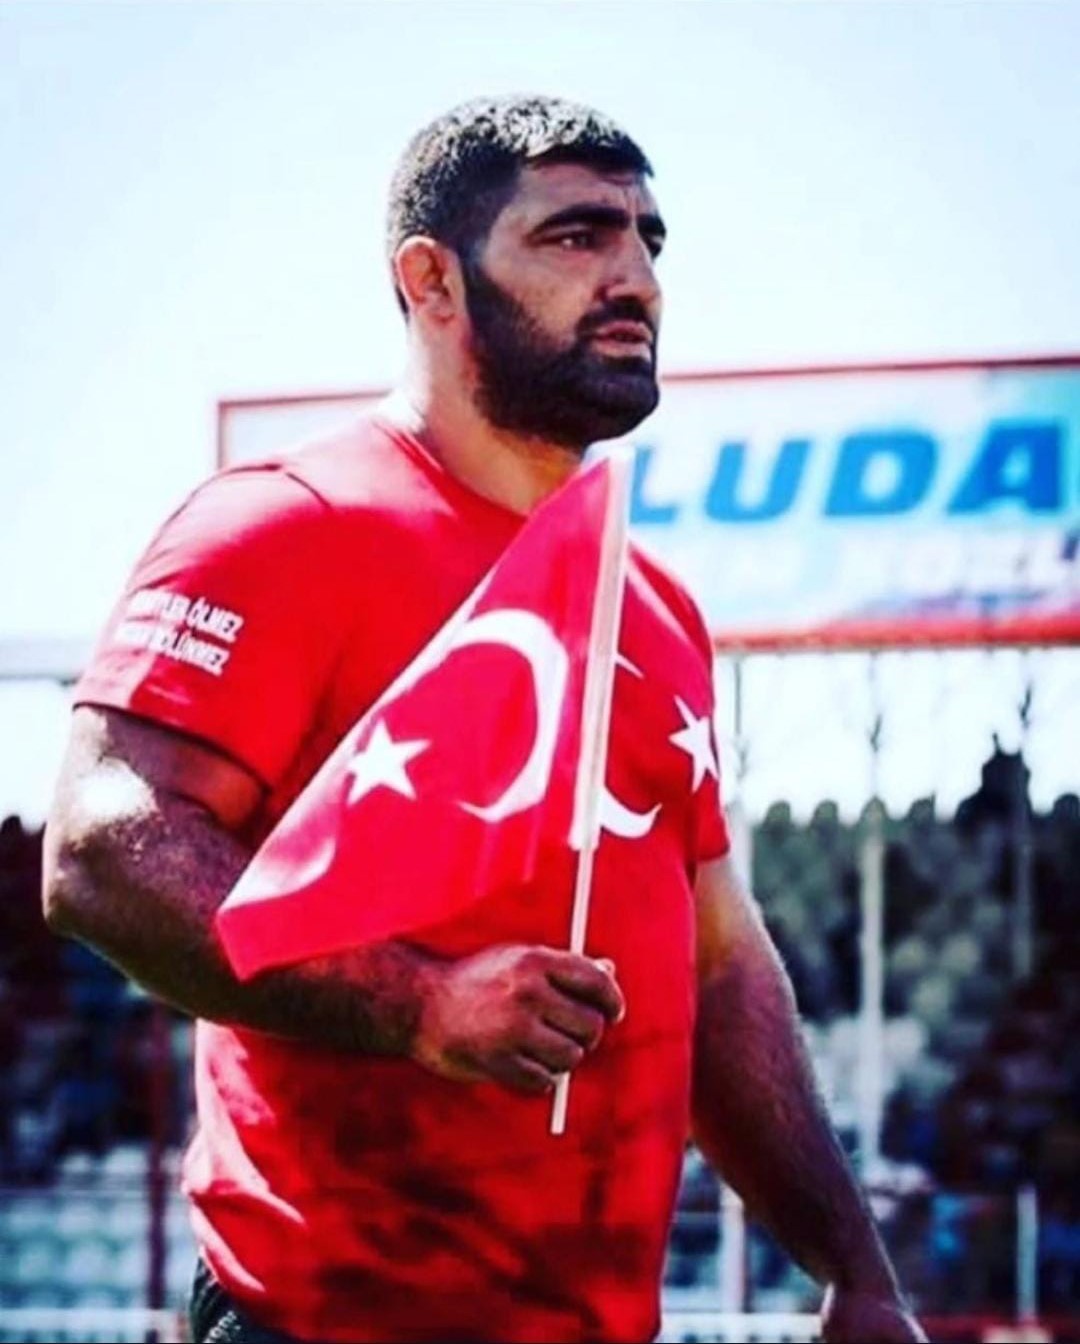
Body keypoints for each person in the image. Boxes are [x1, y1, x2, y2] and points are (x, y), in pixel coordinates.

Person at [43, 95, 926, 1344]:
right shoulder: (284, 525)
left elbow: (719, 960)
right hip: (324, 1322)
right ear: (432, 280)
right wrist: (421, 1005)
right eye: (576, 236)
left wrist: (855, 1270)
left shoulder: (653, 605)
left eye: (648, 241)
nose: (635, 279)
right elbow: (99, 853)